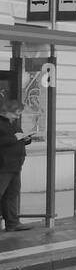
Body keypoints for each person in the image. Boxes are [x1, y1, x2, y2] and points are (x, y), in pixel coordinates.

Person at [0, 97, 35, 232]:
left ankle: (12, 223)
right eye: (16, 113)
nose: (17, 116)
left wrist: (26, 139)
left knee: (12, 194)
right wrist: (14, 138)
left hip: (16, 163)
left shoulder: (14, 123)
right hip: (3, 164)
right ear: (6, 111)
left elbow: (17, 138)